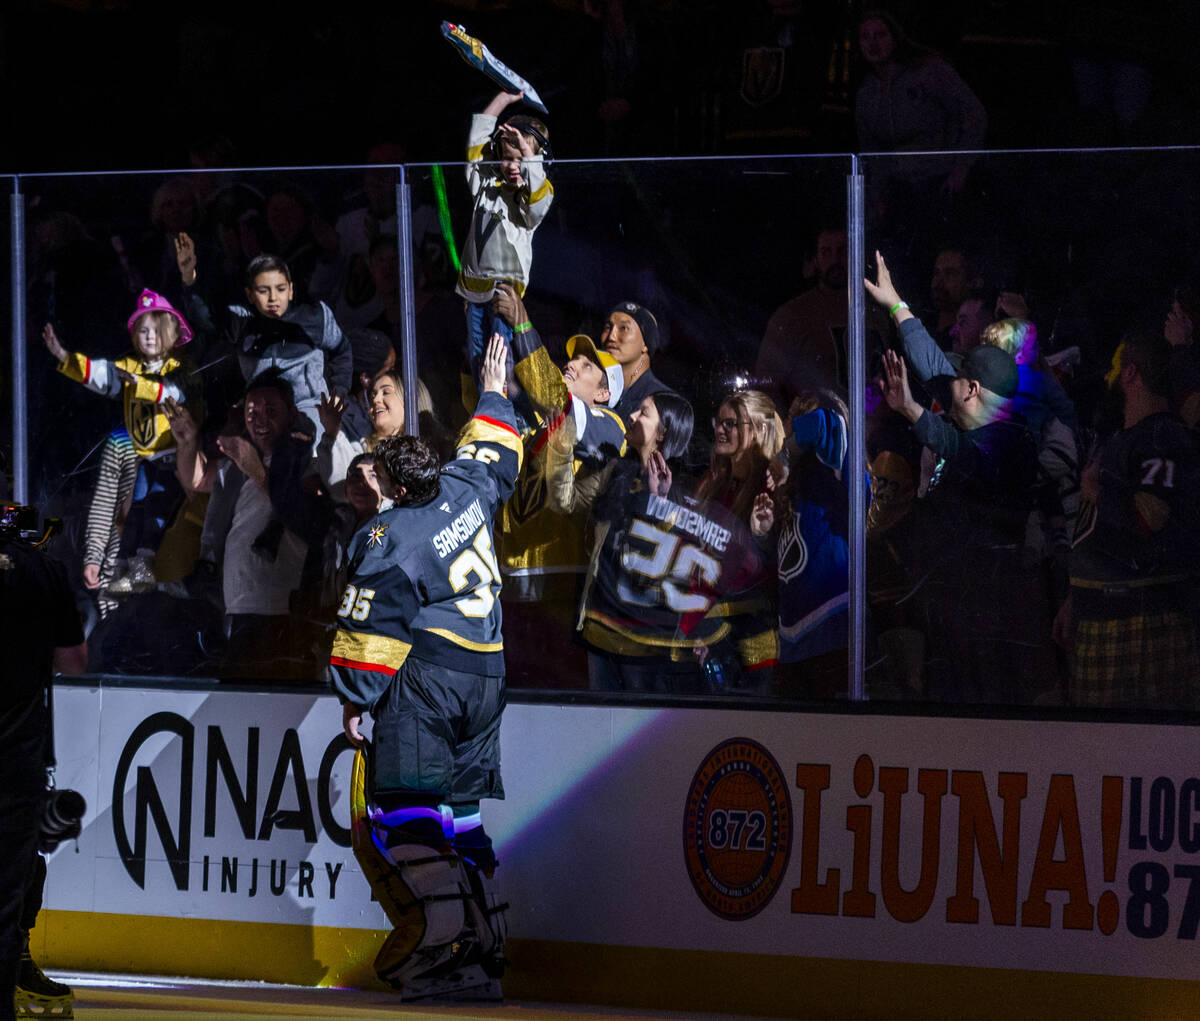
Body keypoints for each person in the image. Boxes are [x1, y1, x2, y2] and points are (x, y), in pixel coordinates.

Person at [331, 335, 521, 997]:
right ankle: (490, 944)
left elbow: (370, 626)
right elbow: (496, 443)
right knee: (462, 814)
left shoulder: (390, 537)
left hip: (431, 681)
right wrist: (494, 387)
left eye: (383, 476)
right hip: (489, 676)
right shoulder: (465, 482)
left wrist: (355, 700)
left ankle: (445, 948)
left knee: (406, 811)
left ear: (403, 487)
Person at [867, 251, 1043, 703]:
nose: (952, 383)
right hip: (949, 601)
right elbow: (933, 366)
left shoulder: (1010, 441)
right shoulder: (978, 408)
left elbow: (961, 452)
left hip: (990, 612)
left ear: (975, 391)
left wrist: (910, 409)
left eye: (960, 381)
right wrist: (895, 304)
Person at [1054, 331, 1200, 709]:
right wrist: (1077, 598)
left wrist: (1097, 493)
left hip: (1139, 626)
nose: (1110, 375)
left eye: (1116, 366)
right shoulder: (1126, 438)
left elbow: (1149, 523)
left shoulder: (1162, 437)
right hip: (1105, 621)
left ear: (1131, 373)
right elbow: (1096, 531)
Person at [171, 370, 329, 681]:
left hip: (282, 614)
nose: (259, 420)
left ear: (292, 415)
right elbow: (197, 479)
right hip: (238, 608)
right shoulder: (239, 462)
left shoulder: (306, 463)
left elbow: (309, 520)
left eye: (271, 412)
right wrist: (188, 443)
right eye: (252, 411)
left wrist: (258, 472)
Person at [44, 288, 199, 594]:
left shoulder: (177, 370)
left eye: (156, 331)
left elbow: (173, 394)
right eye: (143, 331)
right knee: (135, 507)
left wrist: (140, 386)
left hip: (173, 461)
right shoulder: (130, 368)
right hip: (144, 458)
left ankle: (148, 567)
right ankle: (123, 564)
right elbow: (103, 374)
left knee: (157, 508)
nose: (150, 337)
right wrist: (65, 358)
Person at [0, 509, 87, 1021]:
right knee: (10, 890)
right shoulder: (42, 570)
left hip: (21, 758)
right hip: (16, 757)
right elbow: (74, 660)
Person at [175, 236, 352, 444]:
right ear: (250, 295)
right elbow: (203, 319)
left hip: (309, 408)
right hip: (262, 414)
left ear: (291, 290)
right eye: (263, 291)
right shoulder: (241, 322)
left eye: (280, 289)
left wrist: (338, 393)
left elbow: (342, 350)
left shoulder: (315, 317)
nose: (273, 298)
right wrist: (189, 279)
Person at [457, 91, 553, 380]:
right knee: (477, 359)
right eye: (508, 158)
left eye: (521, 160)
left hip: (505, 293)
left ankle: (505, 414)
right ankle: (483, 408)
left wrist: (529, 156)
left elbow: (535, 207)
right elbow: (476, 146)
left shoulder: (535, 197)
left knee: (502, 359)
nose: (514, 167)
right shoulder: (486, 186)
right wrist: (502, 99)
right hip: (474, 289)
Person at [693, 389, 786, 686]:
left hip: (755, 630)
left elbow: (771, 565)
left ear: (758, 429)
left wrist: (761, 534)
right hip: (710, 629)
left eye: (730, 424)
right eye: (718, 422)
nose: (719, 430)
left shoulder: (771, 484)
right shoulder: (712, 482)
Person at [601, 300, 676, 422]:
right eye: (608, 327)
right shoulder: (596, 388)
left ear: (645, 344)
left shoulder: (663, 402)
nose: (611, 336)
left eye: (624, 328)